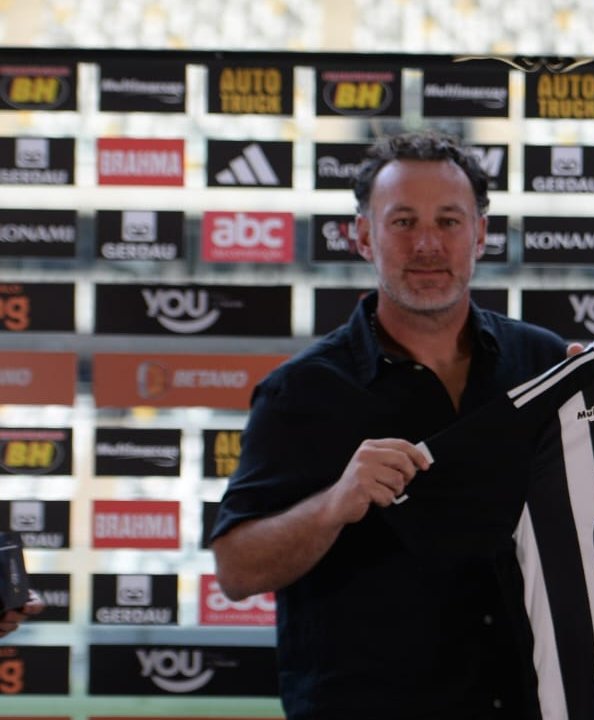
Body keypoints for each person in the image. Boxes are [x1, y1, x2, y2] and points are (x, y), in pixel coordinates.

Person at [210, 130, 567, 719]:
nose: (427, 244)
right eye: (402, 222)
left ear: (479, 234)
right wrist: (334, 504)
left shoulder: (543, 362)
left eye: (449, 222)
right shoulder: (301, 391)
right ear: (363, 237)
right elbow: (236, 570)